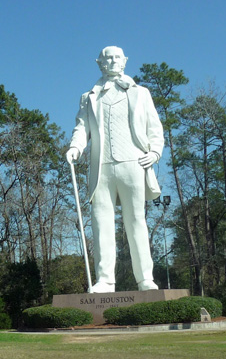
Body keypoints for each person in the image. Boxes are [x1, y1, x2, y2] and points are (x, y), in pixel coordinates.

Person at [66, 46, 164, 293]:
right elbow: (82, 127)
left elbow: (155, 127)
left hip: (133, 163)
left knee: (136, 222)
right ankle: (105, 280)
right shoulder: (89, 97)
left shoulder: (140, 93)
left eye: (116, 57)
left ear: (124, 61)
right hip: (102, 168)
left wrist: (154, 152)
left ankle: (145, 279)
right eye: (107, 58)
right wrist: (75, 147)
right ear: (99, 63)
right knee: (101, 225)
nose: (112, 61)